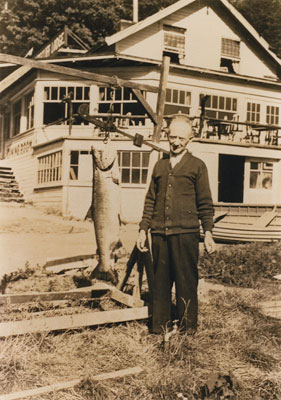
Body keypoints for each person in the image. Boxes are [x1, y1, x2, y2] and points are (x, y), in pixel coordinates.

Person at [136, 114, 216, 334]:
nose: (176, 142)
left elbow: (205, 203)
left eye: (181, 138)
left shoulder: (197, 166)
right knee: (160, 283)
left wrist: (208, 232)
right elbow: (150, 200)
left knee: (186, 281)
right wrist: (143, 229)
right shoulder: (159, 167)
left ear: (190, 139)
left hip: (186, 234)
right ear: (167, 136)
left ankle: (187, 329)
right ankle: (158, 327)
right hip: (159, 234)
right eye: (172, 137)